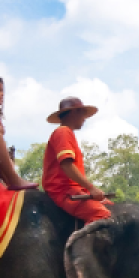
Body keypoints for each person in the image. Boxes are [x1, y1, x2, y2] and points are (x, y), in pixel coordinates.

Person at [42, 96, 112, 225]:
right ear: (74, 112)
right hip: (63, 191)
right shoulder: (63, 132)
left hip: (74, 190)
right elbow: (66, 165)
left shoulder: (67, 133)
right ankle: (82, 245)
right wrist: (91, 188)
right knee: (101, 214)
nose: (85, 119)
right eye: (83, 114)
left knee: (111, 206)